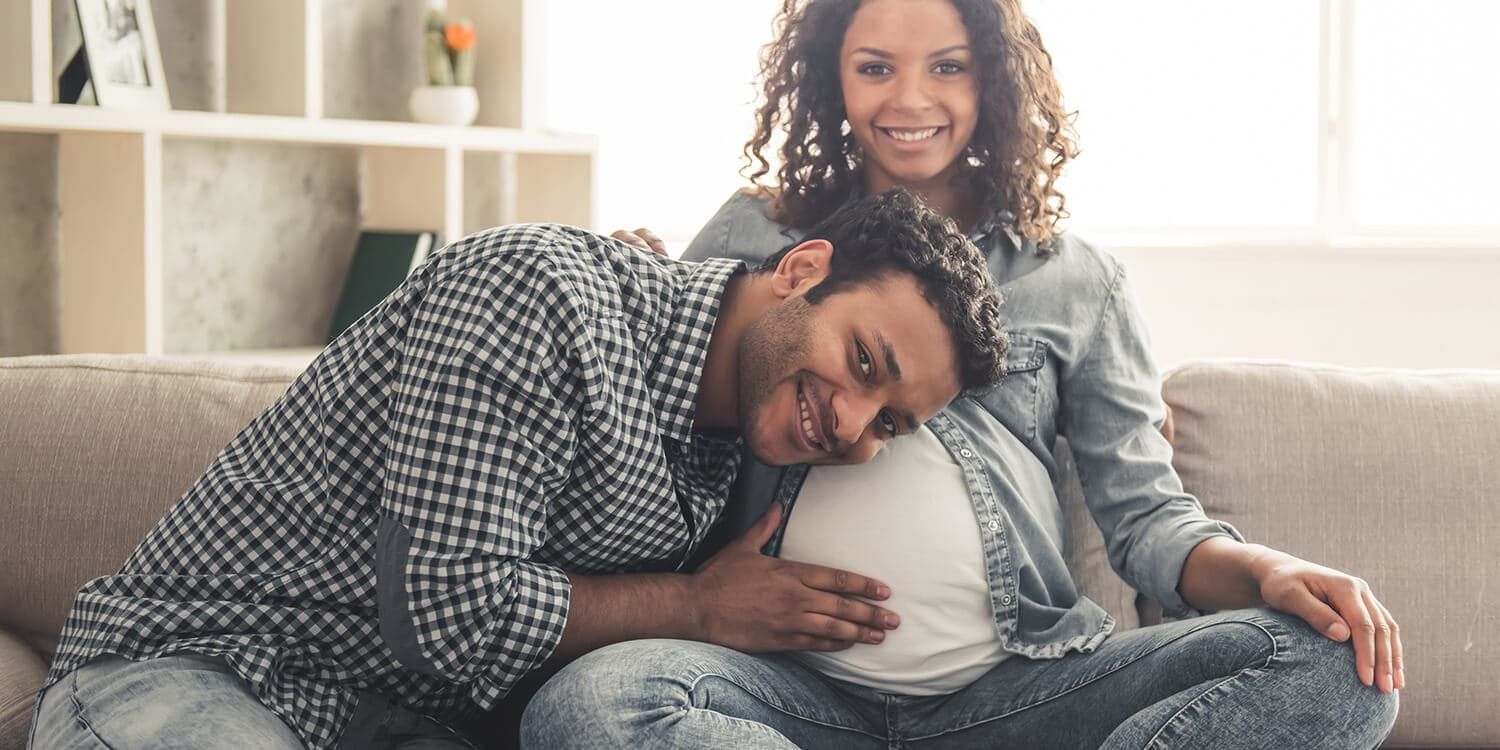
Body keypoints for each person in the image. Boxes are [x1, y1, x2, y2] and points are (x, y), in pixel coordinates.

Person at [529, 0, 1402, 747]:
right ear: (832, 77)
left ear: (992, 79)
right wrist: (623, 277)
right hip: (776, 692)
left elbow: (1143, 521)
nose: (911, 100)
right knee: (592, 705)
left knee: (1334, 663)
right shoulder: (760, 234)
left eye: (947, 67)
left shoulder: (1077, 280)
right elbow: (668, 394)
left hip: (1019, 697)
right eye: (876, 67)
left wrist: (1264, 572)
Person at [27, 189, 1008, 750]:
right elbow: (448, 606)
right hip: (204, 665)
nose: (853, 424)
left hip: (403, 726)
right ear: (800, 271)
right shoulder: (539, 293)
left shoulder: (728, 448)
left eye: (894, 423)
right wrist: (700, 606)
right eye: (865, 363)